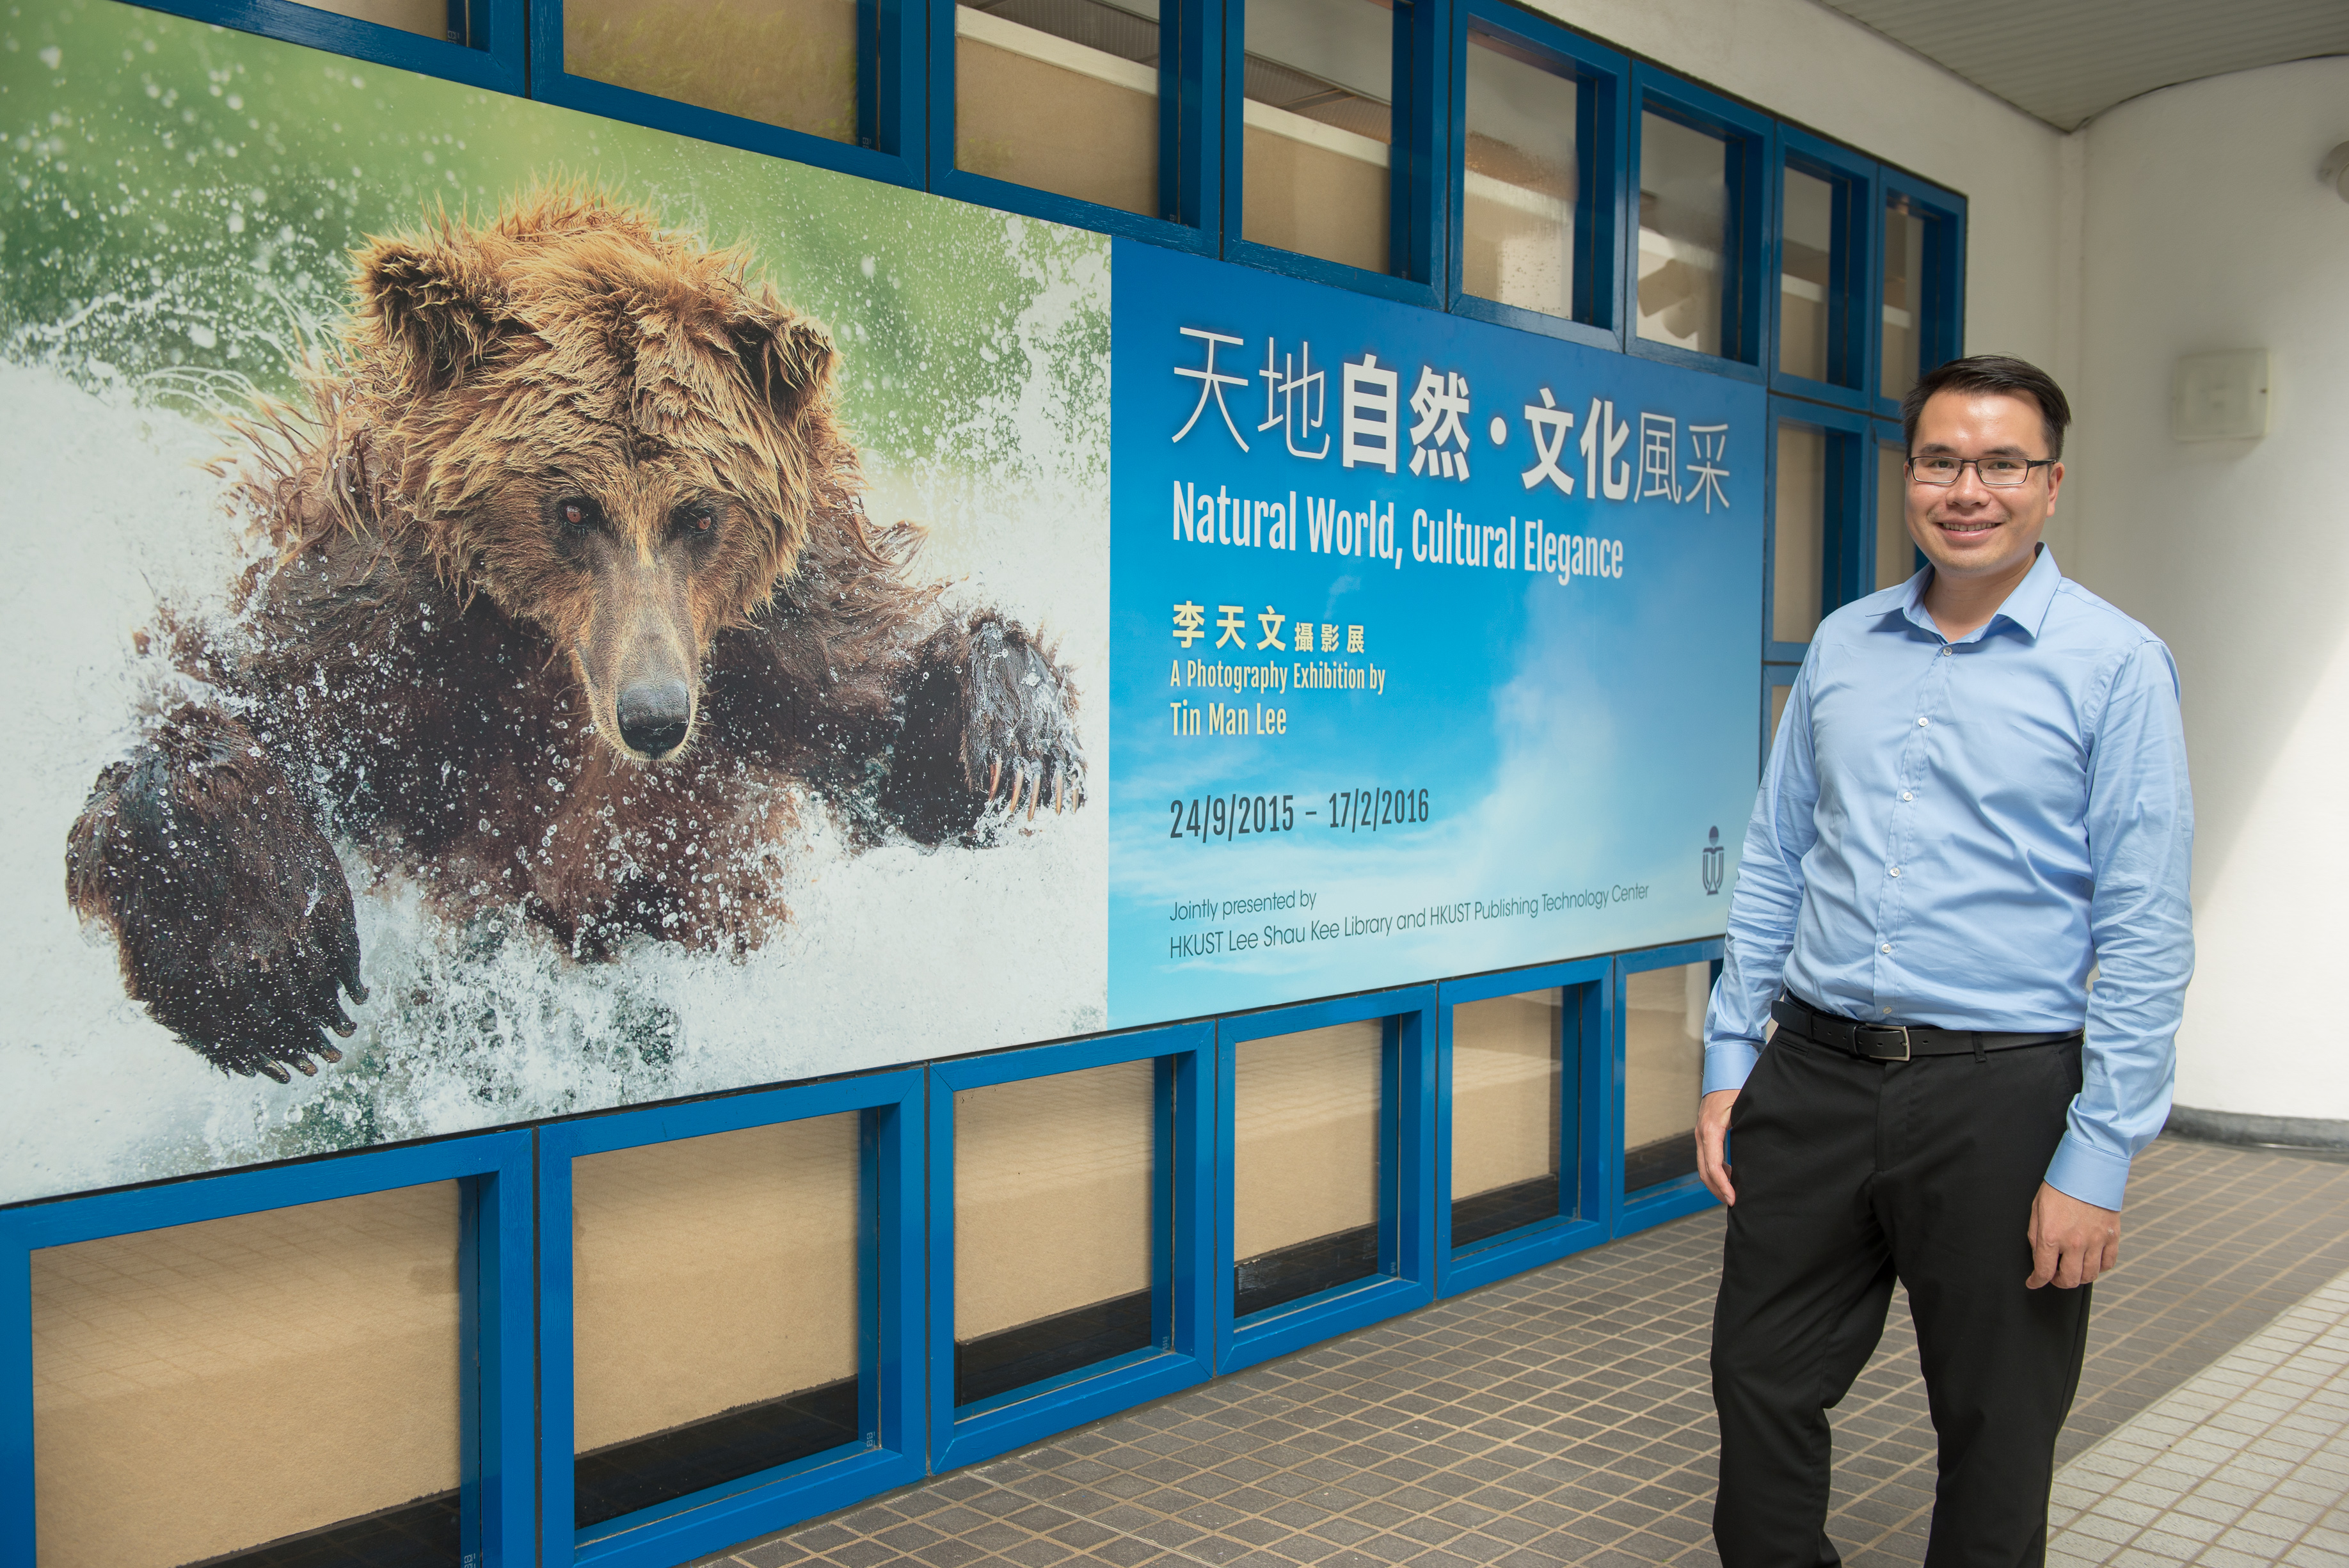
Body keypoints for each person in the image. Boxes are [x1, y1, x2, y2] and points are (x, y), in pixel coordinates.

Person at [1696, 354, 2194, 1567]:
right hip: (1810, 1074)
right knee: (1759, 1381)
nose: (1968, 489)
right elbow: (1775, 857)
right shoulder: (1845, 643)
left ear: (2051, 485)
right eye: (1940, 460)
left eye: (2002, 464)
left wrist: (2100, 1152)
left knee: (1996, 1422)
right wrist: (1728, 1056)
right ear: (1908, 474)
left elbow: (2146, 927)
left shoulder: (2116, 664)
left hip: (2005, 1092)